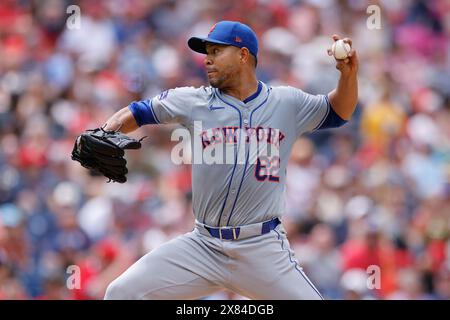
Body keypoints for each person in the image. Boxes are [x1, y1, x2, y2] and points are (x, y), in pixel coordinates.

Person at [102, 20, 358, 300]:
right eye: (206, 53)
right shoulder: (193, 101)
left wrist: (347, 75)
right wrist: (104, 133)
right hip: (203, 246)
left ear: (243, 55)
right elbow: (138, 112)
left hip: (261, 247)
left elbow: (339, 110)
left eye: (216, 51)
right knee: (120, 293)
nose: (207, 60)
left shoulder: (286, 102)